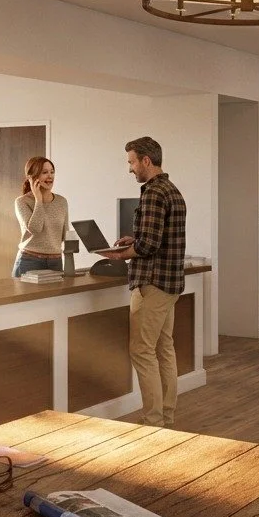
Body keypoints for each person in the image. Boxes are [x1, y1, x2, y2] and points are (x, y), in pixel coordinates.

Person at [105, 137, 186, 428]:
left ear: (146, 161)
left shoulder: (153, 192)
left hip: (152, 283)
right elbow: (155, 238)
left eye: (131, 162)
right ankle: (166, 415)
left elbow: (149, 245)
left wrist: (119, 255)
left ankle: (153, 421)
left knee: (142, 350)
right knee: (164, 348)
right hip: (170, 284)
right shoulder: (172, 190)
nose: (130, 169)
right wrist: (134, 240)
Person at [12, 156, 69, 278]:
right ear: (32, 178)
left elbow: (65, 235)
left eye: (52, 172)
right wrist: (38, 200)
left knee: (56, 298)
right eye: (44, 172)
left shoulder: (62, 201)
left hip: (56, 262)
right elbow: (35, 229)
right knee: (26, 298)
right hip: (29, 261)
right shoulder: (22, 202)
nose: (50, 176)